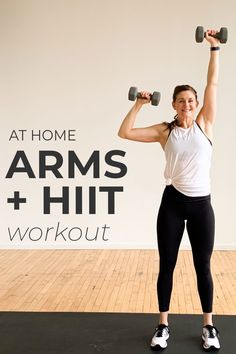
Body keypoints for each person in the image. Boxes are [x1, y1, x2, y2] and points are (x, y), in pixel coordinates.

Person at [118, 29, 221, 351]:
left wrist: (214, 48)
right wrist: (139, 104)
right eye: (182, 101)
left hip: (202, 204)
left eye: (191, 100)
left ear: (196, 104)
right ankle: (163, 325)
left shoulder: (206, 123)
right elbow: (125, 133)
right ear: (175, 106)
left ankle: (209, 327)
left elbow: (212, 84)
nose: (187, 104)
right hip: (173, 204)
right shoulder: (166, 131)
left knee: (203, 266)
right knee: (168, 264)